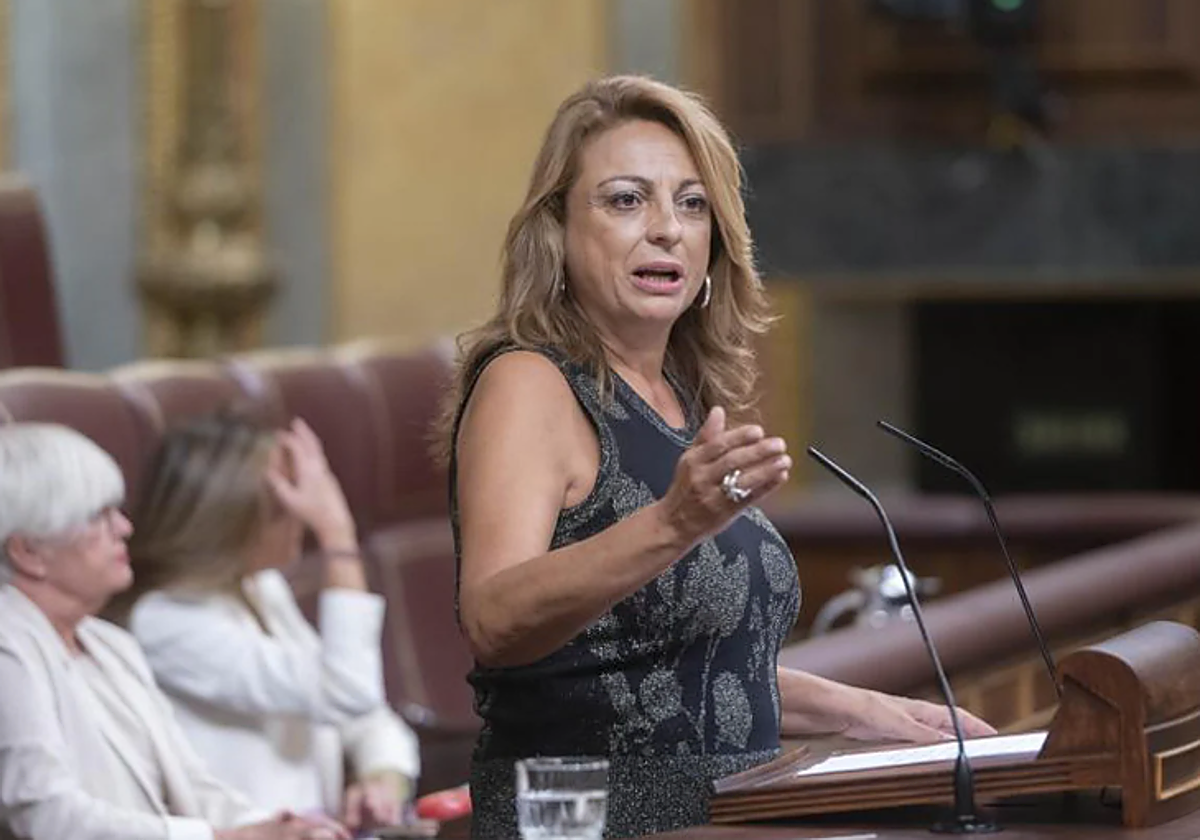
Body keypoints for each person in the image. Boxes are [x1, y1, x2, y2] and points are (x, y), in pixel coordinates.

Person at [441, 75, 995, 839]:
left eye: (691, 203)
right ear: (558, 232)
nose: (666, 228)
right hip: (586, 822)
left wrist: (860, 708)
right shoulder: (528, 383)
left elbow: (691, 673)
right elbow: (495, 617)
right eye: (626, 200)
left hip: (729, 815)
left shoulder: (680, 402)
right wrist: (673, 522)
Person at [0, 422, 345, 840]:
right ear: (28, 551)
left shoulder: (111, 644)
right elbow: (47, 815)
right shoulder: (9, 645)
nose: (124, 528)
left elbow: (193, 784)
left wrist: (280, 827)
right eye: (98, 517)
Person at [108, 413, 420, 835]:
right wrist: (337, 534)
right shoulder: (163, 620)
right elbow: (349, 688)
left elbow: (367, 715)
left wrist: (382, 777)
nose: (304, 515)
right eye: (288, 502)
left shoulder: (261, 587)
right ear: (235, 520)